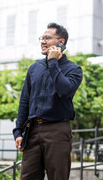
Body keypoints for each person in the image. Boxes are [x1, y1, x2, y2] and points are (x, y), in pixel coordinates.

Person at [13, 22, 83, 180]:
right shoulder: (34, 68)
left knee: (58, 177)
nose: (43, 41)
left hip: (57, 130)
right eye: (42, 38)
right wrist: (18, 131)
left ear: (61, 42)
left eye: (47, 38)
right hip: (32, 130)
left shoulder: (74, 69)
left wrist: (52, 63)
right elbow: (25, 101)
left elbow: (64, 91)